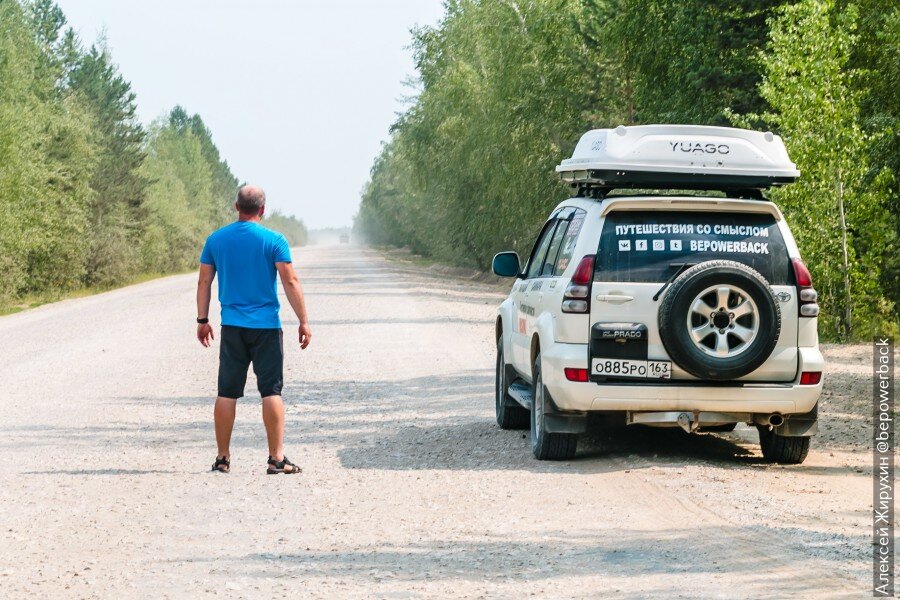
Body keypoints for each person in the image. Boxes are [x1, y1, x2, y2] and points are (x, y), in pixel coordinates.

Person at [196, 185, 312, 474]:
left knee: (226, 392)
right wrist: (303, 321)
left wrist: (202, 320)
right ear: (263, 209)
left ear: (236, 206)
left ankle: (222, 458)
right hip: (266, 328)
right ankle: (276, 459)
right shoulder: (274, 240)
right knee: (271, 391)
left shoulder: (216, 239)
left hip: (232, 327)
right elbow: (290, 281)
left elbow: (204, 281)